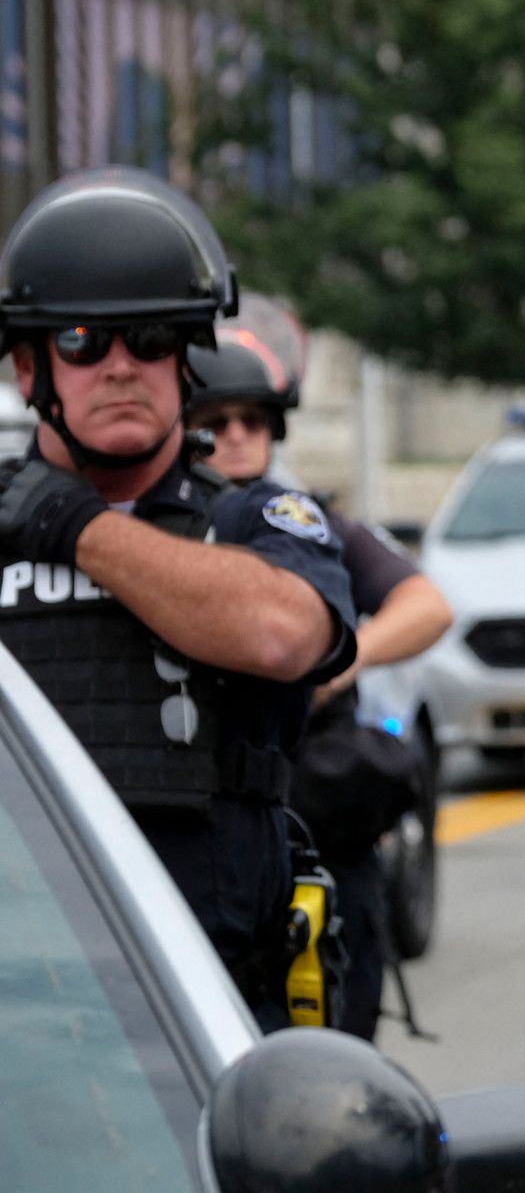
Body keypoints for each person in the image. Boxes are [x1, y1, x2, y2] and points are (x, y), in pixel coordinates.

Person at [0, 168, 357, 1026]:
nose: (120, 366)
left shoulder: (255, 517)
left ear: (187, 356)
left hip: (217, 1009)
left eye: (152, 337)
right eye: (84, 340)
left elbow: (281, 633)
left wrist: (75, 525)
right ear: (27, 367)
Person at [187, 325, 454, 1040]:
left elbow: (427, 606)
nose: (237, 435)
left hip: (314, 832)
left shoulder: (309, 524)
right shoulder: (165, 530)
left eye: (252, 419)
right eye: (214, 422)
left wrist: (341, 658)